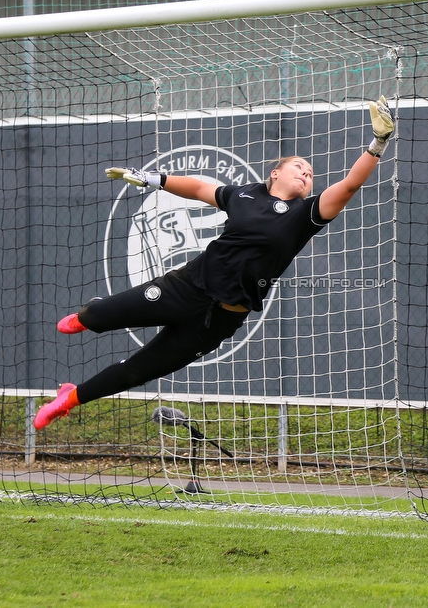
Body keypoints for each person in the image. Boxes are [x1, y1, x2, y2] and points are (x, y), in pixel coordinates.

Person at [34, 95, 394, 429]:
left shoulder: (305, 214)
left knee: (136, 372)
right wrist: (153, 179)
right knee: (95, 318)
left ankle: (68, 399)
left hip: (219, 320)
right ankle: (93, 312)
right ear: (276, 173)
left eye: (311, 173)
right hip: (186, 288)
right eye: (299, 166)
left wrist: (377, 143)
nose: (306, 173)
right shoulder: (242, 195)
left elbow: (347, 186)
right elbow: (197, 189)